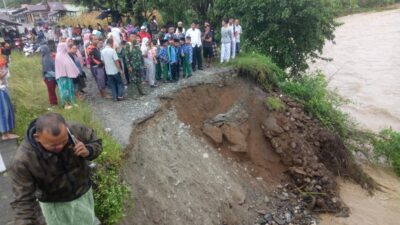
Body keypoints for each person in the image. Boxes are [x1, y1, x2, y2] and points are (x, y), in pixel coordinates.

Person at [10, 113, 102, 225]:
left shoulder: (75, 130)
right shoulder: (24, 160)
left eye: (64, 141)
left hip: (83, 194)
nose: (60, 147)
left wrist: (89, 150)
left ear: (66, 128)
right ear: (37, 138)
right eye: (53, 145)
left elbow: (97, 143)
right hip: (54, 204)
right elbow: (23, 201)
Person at [55, 42, 80, 109]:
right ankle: (66, 105)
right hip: (62, 77)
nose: (66, 48)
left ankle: (72, 102)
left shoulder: (65, 54)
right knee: (64, 91)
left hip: (68, 76)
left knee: (70, 89)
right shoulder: (59, 56)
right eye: (65, 47)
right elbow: (63, 66)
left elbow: (70, 64)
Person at [0, 48, 17, 141]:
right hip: (0, 90)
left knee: (6, 110)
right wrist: (5, 72)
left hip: (2, 88)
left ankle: (6, 132)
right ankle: (5, 134)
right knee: (3, 111)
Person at [88, 35, 110, 99]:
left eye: (96, 39)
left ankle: (103, 93)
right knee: (100, 80)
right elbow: (91, 58)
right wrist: (100, 63)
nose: (96, 40)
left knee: (101, 80)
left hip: (99, 66)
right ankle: (104, 94)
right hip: (96, 67)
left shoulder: (96, 47)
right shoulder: (90, 48)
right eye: (94, 39)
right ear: (91, 41)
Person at [40, 43, 58, 109]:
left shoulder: (46, 59)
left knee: (51, 92)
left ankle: (53, 105)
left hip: (49, 78)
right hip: (52, 78)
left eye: (42, 50)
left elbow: (48, 71)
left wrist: (56, 75)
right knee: (52, 91)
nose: (41, 52)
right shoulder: (49, 57)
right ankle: (55, 103)